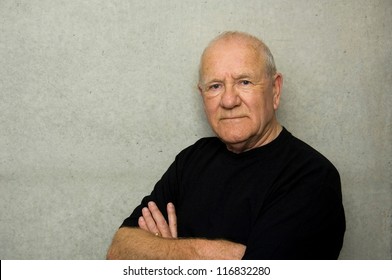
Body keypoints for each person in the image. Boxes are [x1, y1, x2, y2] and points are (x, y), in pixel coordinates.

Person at [106, 31, 345, 260]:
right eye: (215, 86)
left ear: (275, 89)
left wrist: (163, 252)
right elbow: (118, 251)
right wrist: (218, 255)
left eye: (244, 82)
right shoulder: (192, 159)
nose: (229, 100)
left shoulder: (311, 178)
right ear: (202, 95)